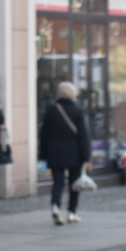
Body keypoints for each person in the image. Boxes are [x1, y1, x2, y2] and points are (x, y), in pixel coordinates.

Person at [39, 81, 90, 225]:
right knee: (75, 183)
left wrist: (42, 155)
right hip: (74, 152)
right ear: (73, 94)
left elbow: (44, 134)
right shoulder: (77, 111)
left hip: (55, 151)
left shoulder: (51, 110)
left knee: (58, 182)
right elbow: (83, 136)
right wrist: (86, 157)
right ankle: (72, 213)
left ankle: (55, 206)